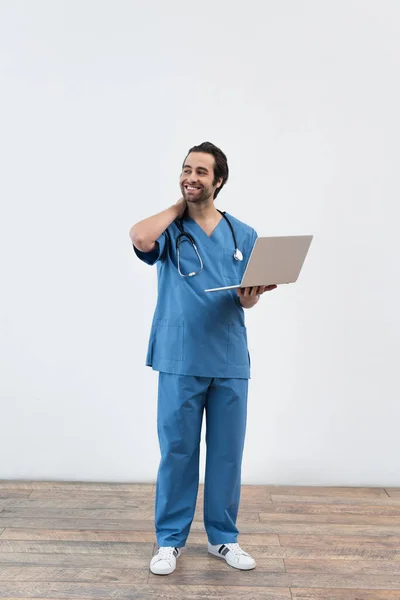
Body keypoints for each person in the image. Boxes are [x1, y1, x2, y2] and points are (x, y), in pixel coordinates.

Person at [129, 142, 277, 576]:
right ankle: (169, 541)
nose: (191, 176)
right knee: (178, 450)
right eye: (185, 169)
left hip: (229, 355)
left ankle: (223, 539)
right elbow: (139, 236)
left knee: (227, 453)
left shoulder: (242, 235)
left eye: (200, 172)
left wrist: (252, 299)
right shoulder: (169, 231)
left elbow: (247, 301)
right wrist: (180, 205)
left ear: (219, 181)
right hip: (179, 355)